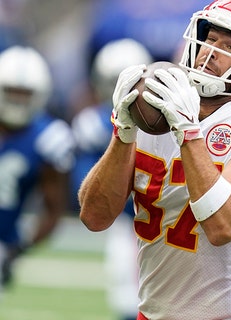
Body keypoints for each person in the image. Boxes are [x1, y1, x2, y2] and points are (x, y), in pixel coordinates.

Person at [77, 0, 231, 319]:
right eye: (210, 38)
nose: (209, 51)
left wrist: (188, 130)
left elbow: (222, 224)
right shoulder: (154, 106)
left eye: (229, 45)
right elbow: (95, 217)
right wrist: (123, 130)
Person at [71, 38, 153, 320]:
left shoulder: (159, 120)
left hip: (161, 215)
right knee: (127, 295)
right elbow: (82, 186)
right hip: (125, 220)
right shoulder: (92, 123)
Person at [0, 46, 75, 295]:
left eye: (24, 94)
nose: (17, 101)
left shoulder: (49, 138)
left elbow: (54, 208)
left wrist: (17, 249)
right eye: (11, 92)